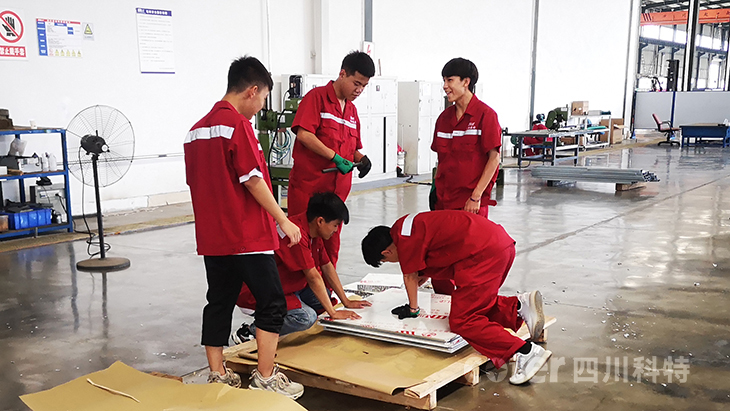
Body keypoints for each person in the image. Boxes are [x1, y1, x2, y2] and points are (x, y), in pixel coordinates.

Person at [184, 56, 303, 399]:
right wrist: (282, 219)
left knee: (218, 302)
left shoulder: (195, 132)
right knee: (272, 303)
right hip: (248, 236)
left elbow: (197, 183)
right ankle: (265, 376)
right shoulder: (237, 126)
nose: (261, 106)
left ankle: (218, 374)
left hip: (213, 237)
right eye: (263, 98)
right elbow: (252, 179)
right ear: (252, 90)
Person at [361, 211, 551, 385]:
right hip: (498, 244)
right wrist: (425, 275)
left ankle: (526, 352)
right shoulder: (405, 227)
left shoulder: (404, 242)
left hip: (482, 255)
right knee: (477, 304)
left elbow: (409, 276)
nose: (393, 262)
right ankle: (518, 306)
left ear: (386, 253)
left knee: (463, 321)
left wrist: (413, 309)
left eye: (385, 261)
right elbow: (438, 249)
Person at [232, 192, 372, 343]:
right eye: (335, 225)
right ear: (320, 221)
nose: (336, 230)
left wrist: (346, 301)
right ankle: (250, 331)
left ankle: (282, 315)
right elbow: (313, 277)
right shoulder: (296, 234)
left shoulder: (313, 231)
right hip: (260, 293)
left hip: (287, 287)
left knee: (324, 296)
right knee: (305, 318)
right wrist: (333, 313)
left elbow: (327, 266)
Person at [288, 51, 376, 267]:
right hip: (309, 192)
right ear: (342, 74)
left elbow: (351, 148)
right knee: (302, 247)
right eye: (356, 83)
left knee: (329, 250)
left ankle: (327, 287)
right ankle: (302, 287)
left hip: (336, 197)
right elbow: (304, 134)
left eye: (364, 86)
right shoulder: (316, 98)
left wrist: (361, 159)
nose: (359, 90)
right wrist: (335, 157)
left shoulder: (352, 111)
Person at [431, 57, 501, 219]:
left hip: (471, 204)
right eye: (443, 80)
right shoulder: (443, 119)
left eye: (450, 80)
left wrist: (476, 197)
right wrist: (434, 190)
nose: (445, 86)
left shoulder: (486, 116)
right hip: (443, 202)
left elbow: (494, 159)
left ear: (466, 82)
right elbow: (441, 160)